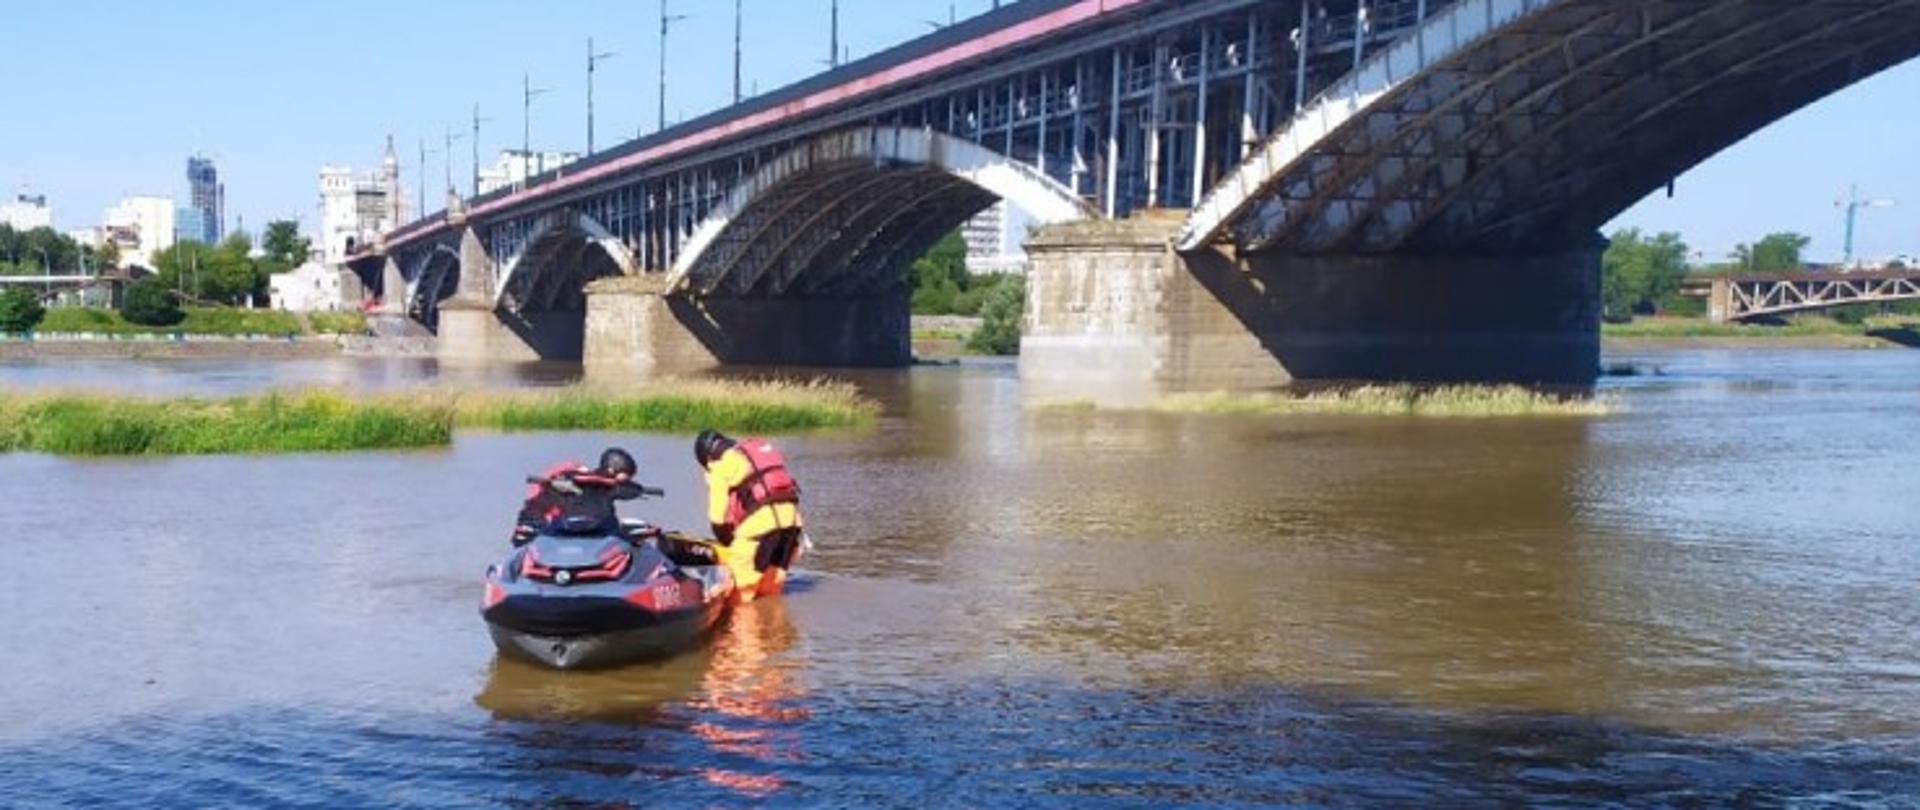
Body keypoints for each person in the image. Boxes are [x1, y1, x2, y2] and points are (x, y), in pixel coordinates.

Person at [695, 429, 805, 602]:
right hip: (792, 527)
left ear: (707, 458)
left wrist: (728, 543)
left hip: (760, 527)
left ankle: (743, 629)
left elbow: (718, 519)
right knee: (769, 595)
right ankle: (777, 628)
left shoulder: (718, 465)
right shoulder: (751, 454)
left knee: (740, 596)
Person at [512, 448, 644, 543]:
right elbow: (631, 489)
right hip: (562, 528)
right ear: (612, 469)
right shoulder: (583, 481)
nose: (629, 479)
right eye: (627, 475)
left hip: (590, 528)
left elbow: (631, 490)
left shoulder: (605, 484)